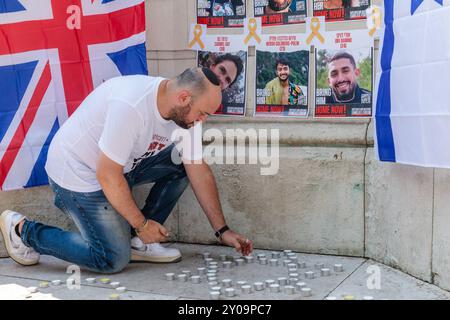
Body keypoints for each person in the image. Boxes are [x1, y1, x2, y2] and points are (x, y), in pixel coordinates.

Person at [0, 67, 253, 273]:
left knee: (182, 165)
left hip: (121, 167)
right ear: (184, 98)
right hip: (78, 174)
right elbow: (107, 175)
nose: (202, 120)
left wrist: (223, 231)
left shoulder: (185, 113)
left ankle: (139, 243)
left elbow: (198, 168)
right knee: (111, 258)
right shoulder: (131, 105)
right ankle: (23, 231)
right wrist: (141, 223)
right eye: (202, 114)